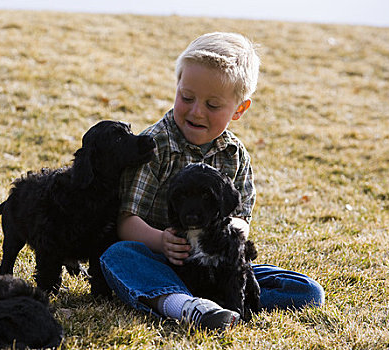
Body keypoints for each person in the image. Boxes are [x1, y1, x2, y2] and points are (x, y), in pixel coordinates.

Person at [100, 32, 324, 331]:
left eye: (213, 105)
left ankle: (221, 303)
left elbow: (241, 219)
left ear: (239, 110)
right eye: (187, 97)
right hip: (163, 260)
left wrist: (229, 243)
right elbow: (125, 220)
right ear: (177, 87)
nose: (196, 111)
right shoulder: (154, 146)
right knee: (117, 256)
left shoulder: (235, 155)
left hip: (217, 265)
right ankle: (182, 303)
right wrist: (161, 241)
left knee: (306, 290)